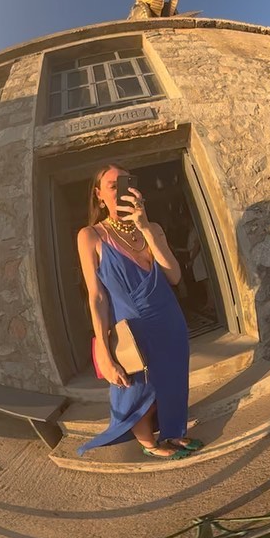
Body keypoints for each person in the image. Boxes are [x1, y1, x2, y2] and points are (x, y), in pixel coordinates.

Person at [76, 164, 203, 460]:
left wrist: (145, 227)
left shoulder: (152, 229)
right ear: (99, 195)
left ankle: (174, 432)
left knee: (173, 380)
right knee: (136, 388)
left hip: (168, 319)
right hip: (131, 327)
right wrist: (103, 351)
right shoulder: (90, 236)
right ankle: (149, 443)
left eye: (127, 182)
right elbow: (96, 296)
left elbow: (174, 276)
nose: (121, 189)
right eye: (113, 185)